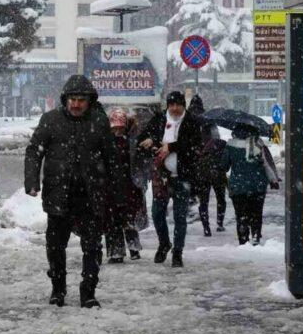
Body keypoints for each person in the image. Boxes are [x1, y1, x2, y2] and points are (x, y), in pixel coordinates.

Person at [25, 75, 116, 308]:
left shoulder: (99, 121)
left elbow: (111, 158)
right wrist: (32, 181)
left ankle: (88, 292)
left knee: (93, 247)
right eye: (72, 99)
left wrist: (114, 188)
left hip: (90, 195)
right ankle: (58, 289)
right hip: (58, 194)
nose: (76, 104)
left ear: (89, 101)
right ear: (65, 100)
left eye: (81, 100)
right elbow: (34, 151)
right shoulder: (51, 120)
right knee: (55, 246)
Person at [137, 91, 203, 267]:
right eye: (171, 105)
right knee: (157, 213)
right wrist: (150, 141)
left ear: (184, 105)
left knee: (180, 216)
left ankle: (178, 252)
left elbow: (194, 145)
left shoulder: (191, 122)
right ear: (167, 105)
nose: (175, 108)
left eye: (178, 105)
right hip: (161, 177)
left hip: (182, 176)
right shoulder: (159, 119)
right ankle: (164, 243)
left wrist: (171, 147)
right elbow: (142, 139)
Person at [220, 123, 280, 245]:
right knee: (256, 214)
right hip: (257, 187)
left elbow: (224, 166)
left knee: (241, 215)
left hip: (238, 187)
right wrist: (273, 180)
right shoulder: (259, 144)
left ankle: (243, 240)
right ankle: (255, 237)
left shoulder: (231, 145)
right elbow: (267, 164)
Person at [105, 108, 145, 264]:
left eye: (120, 127)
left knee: (128, 219)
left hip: (128, 187)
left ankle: (134, 248)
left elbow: (138, 163)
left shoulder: (132, 143)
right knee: (113, 220)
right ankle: (116, 253)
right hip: (111, 187)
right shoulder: (107, 143)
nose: (117, 131)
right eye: (115, 128)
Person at [187, 94, 227, 237]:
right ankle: (220, 223)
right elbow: (217, 140)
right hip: (215, 165)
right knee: (220, 197)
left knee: (203, 199)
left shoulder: (187, 122)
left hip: (200, 167)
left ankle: (206, 227)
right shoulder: (209, 120)